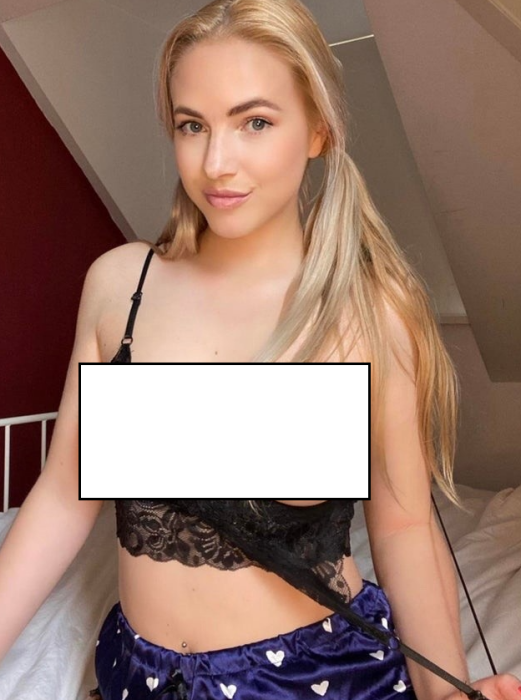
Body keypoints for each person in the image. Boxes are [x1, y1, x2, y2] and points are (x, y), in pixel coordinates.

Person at [0, 1, 519, 700]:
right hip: (137, 673)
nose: (217, 163)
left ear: (318, 129)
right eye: (192, 125)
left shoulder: (369, 309)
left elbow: (403, 524)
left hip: (311, 678)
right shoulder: (120, 286)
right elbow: (64, 497)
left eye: (255, 122)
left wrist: (444, 691)